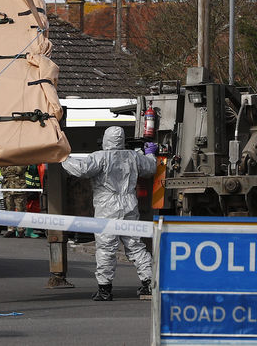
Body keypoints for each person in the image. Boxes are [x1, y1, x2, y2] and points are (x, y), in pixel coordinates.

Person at [63, 126, 157, 301]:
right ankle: (150, 283)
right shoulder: (133, 156)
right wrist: (150, 153)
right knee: (135, 245)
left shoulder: (100, 157)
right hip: (129, 203)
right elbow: (151, 168)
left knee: (106, 248)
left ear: (106, 139)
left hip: (107, 206)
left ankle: (105, 289)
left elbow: (81, 169)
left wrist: (63, 158)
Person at [0, 165, 28, 237]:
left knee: (20, 209)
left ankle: (21, 230)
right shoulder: (6, 161)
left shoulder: (21, 159)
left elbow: (20, 170)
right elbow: (3, 172)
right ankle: (11, 229)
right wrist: (12, 169)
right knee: (9, 209)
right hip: (7, 187)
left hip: (19, 187)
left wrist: (9, 168)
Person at [24, 164, 43, 238]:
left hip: (36, 189)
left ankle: (29, 231)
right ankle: (19, 230)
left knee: (34, 210)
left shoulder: (40, 163)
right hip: (27, 188)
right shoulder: (27, 162)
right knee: (24, 209)